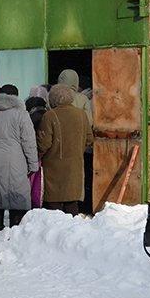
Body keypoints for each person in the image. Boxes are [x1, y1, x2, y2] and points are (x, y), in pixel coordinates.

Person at [0, 87, 38, 233]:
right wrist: (33, 165)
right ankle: (14, 232)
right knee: (16, 198)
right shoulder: (22, 115)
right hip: (15, 161)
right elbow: (29, 142)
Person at [36, 84, 93, 216]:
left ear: (53, 99)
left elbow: (43, 144)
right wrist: (77, 150)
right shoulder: (81, 114)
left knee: (54, 209)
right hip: (75, 166)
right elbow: (89, 138)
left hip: (54, 168)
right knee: (72, 205)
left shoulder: (49, 116)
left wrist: (38, 157)